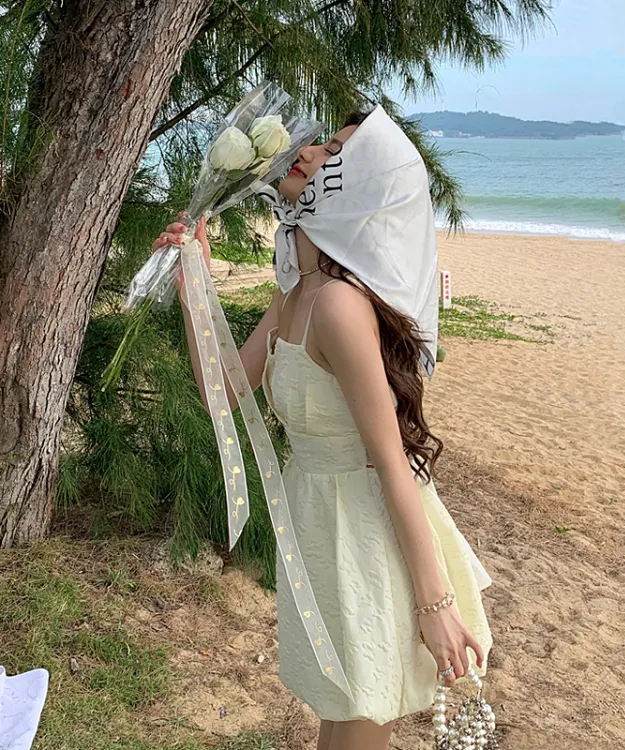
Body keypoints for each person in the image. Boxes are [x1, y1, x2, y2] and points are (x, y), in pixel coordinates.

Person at [154, 106, 493, 750]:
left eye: (333, 152)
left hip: (368, 539)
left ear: (358, 185)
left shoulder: (338, 304)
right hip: (320, 526)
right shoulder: (298, 291)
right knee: (338, 722)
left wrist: (435, 605)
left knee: (356, 724)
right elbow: (225, 390)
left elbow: (389, 460)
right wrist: (194, 282)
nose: (305, 152)